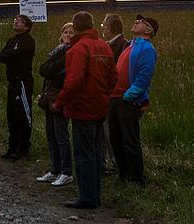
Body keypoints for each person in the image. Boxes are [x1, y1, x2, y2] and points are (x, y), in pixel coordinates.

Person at [52, 11, 117, 209]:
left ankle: (87, 197)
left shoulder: (77, 49)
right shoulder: (104, 46)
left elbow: (74, 82)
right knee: (96, 153)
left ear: (76, 27)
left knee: (83, 155)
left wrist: (59, 102)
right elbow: (114, 77)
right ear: (92, 25)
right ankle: (95, 195)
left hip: (82, 109)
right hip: (100, 107)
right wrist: (104, 96)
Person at [109, 14, 159, 186]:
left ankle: (137, 179)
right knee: (116, 139)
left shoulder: (146, 48)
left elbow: (144, 75)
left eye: (141, 22)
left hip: (128, 101)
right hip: (115, 98)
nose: (135, 22)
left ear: (148, 30)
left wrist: (129, 96)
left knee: (130, 140)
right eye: (136, 20)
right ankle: (124, 176)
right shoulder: (130, 45)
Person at [35, 22, 75, 187]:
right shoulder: (58, 51)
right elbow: (45, 72)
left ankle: (66, 171)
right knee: (51, 135)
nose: (68, 34)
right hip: (50, 96)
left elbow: (48, 70)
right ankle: (54, 169)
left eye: (71, 32)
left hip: (61, 97)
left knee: (61, 135)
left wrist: (50, 68)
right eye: (65, 31)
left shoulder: (70, 53)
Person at [0, 15, 35, 160]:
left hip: (22, 82)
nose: (16, 22)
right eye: (15, 20)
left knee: (23, 115)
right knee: (11, 115)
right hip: (12, 81)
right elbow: (1, 56)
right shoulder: (12, 40)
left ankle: (23, 147)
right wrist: (11, 54)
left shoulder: (28, 41)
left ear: (26, 27)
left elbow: (15, 54)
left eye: (20, 21)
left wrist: (11, 54)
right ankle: (12, 146)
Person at [99, 13, 128, 173]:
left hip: (113, 95)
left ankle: (117, 162)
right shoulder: (111, 44)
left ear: (109, 28)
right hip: (107, 94)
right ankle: (105, 162)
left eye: (104, 25)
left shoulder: (122, 45)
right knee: (104, 130)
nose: (102, 28)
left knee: (110, 131)